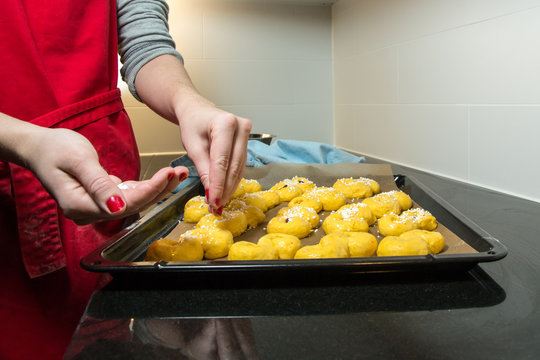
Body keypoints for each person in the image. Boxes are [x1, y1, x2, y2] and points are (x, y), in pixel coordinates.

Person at [0, 1, 251, 359]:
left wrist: (188, 101)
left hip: (104, 174)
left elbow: (143, 39)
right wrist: (23, 141)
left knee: (101, 342)